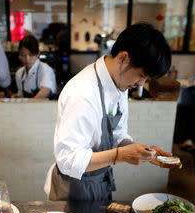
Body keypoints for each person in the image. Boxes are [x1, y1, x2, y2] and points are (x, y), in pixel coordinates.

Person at [45, 22, 172, 201]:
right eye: (142, 75)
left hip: (99, 182)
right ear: (123, 58)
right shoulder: (82, 92)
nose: (141, 84)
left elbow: (118, 135)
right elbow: (68, 160)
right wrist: (121, 155)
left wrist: (145, 151)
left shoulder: (119, 85)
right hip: (72, 189)